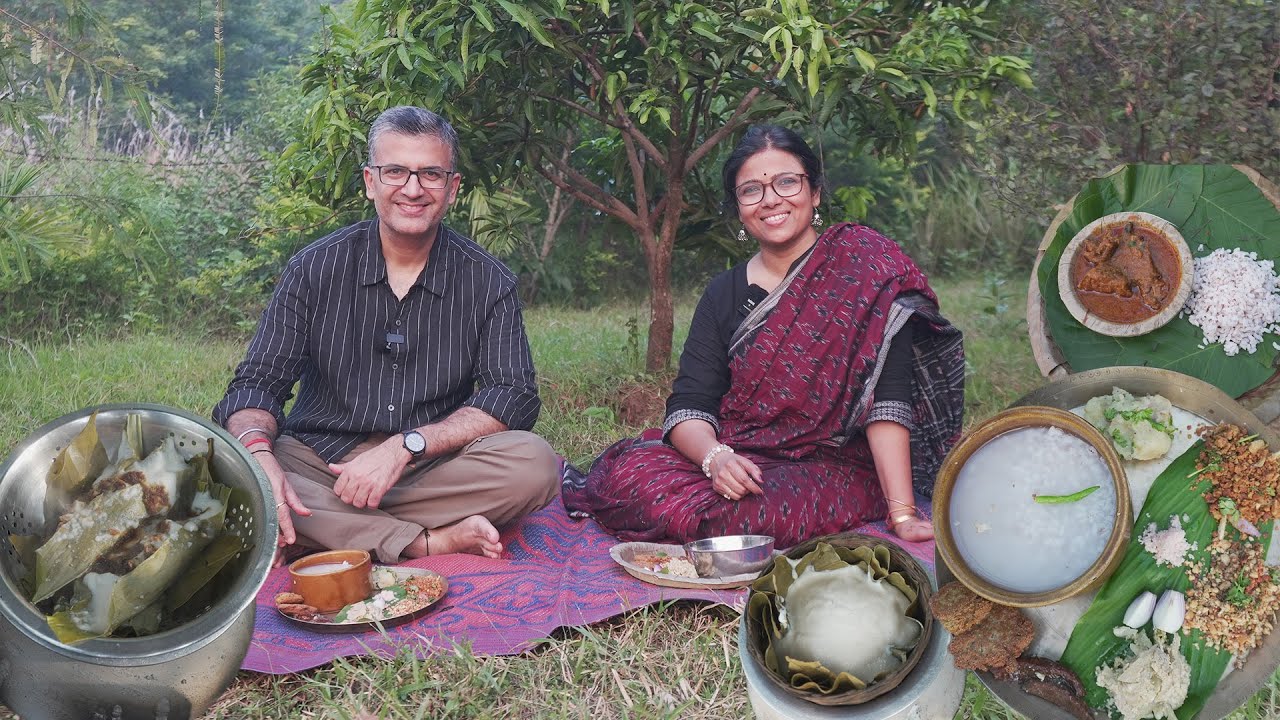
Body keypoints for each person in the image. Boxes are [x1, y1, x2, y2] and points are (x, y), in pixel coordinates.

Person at [563, 125, 964, 547]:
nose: (771, 200)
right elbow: (690, 406)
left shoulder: (867, 270)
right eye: (751, 190)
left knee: (752, 514)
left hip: (835, 463)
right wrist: (716, 459)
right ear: (739, 209)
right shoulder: (723, 293)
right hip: (739, 450)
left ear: (815, 192)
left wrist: (902, 513)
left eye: (787, 182)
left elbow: (888, 403)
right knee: (632, 478)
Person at [214, 106, 560, 564]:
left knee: (535, 465)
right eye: (395, 171)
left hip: (429, 468)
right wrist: (260, 458)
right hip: (319, 462)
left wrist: (405, 446)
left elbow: (513, 395)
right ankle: (426, 542)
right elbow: (257, 385)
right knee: (226, 467)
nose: (412, 189)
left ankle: (318, 529)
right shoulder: (314, 268)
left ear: (452, 188)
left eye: (430, 174)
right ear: (370, 181)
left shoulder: (488, 281)